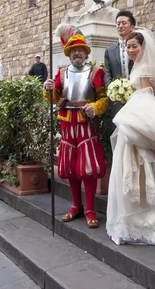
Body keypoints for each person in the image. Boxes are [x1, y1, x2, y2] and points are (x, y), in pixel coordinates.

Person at [106, 28, 155, 246]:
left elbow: (148, 93)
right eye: (128, 46)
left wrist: (133, 107)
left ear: (143, 47)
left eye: (134, 46)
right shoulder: (136, 66)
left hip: (139, 115)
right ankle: (133, 215)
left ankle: (149, 214)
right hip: (132, 114)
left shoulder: (147, 67)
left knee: (144, 163)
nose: (130, 50)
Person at [44, 31, 108, 228]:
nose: (76, 53)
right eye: (73, 51)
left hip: (85, 123)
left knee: (87, 167)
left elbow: (104, 98)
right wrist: (47, 90)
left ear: (86, 53)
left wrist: (95, 108)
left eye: (80, 50)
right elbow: (55, 98)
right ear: (69, 54)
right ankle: (76, 206)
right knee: (70, 167)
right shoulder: (61, 73)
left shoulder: (96, 72)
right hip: (66, 122)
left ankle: (89, 209)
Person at [104, 10, 136, 126]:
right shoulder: (109, 51)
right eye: (118, 24)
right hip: (117, 99)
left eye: (123, 23)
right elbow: (107, 73)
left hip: (137, 97)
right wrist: (113, 92)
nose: (120, 26)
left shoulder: (139, 47)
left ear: (132, 27)